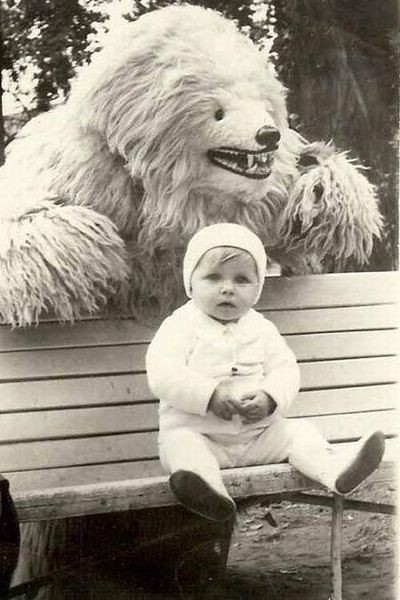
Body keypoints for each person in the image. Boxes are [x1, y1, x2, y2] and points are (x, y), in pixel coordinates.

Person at [146, 223, 385, 522]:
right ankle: (209, 494)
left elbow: (286, 369)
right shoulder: (179, 325)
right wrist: (209, 396)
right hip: (200, 434)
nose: (227, 288)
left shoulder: (262, 328)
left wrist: (270, 397)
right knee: (182, 447)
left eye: (242, 280)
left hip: (259, 437)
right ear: (191, 284)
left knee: (298, 433)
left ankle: (337, 471)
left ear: (257, 289)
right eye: (213, 277)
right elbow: (163, 373)